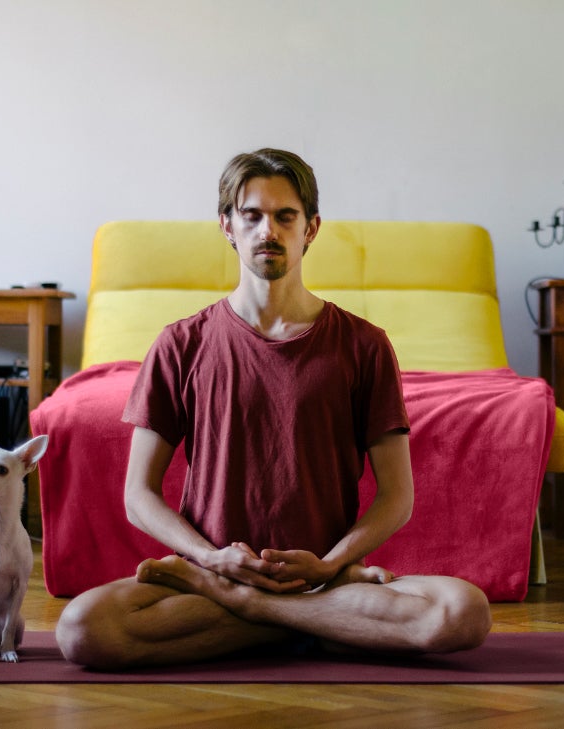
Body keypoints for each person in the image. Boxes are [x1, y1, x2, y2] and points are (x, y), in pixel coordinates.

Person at [55, 148, 490, 670]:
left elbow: (397, 497)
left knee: (464, 613)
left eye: (286, 216)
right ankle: (320, 626)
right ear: (227, 225)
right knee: (82, 630)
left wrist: (330, 566)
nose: (269, 230)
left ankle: (258, 613)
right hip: (215, 577)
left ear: (311, 228)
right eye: (252, 215)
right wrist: (212, 560)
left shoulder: (364, 345)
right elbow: (138, 495)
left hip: (322, 577)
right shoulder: (179, 344)